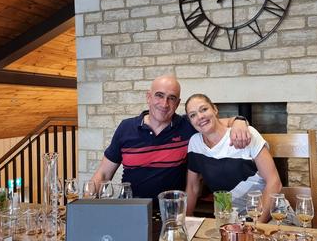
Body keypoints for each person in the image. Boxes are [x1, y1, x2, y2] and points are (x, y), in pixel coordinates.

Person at [89, 75, 251, 202]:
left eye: (171, 98)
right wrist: (84, 202)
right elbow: (103, 174)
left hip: (171, 209)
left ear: (177, 103)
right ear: (149, 97)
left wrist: (239, 122)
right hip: (131, 207)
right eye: (159, 95)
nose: (165, 104)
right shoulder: (126, 128)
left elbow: (218, 124)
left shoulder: (187, 126)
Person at [184, 94, 281, 220]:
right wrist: (185, 221)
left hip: (271, 215)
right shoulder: (195, 143)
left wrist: (256, 226)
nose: (200, 116)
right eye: (193, 115)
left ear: (215, 109)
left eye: (204, 109)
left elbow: (274, 183)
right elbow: (192, 187)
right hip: (228, 219)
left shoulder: (245, 133)